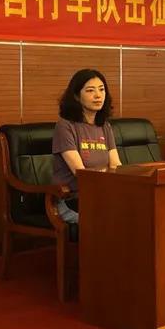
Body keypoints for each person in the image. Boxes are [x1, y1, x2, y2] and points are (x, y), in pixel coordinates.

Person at [51, 69, 122, 224]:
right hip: (72, 200)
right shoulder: (65, 126)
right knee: (112, 220)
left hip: (102, 195)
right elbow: (81, 173)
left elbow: (116, 166)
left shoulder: (104, 126)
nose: (98, 95)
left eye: (102, 89)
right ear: (77, 96)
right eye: (90, 90)